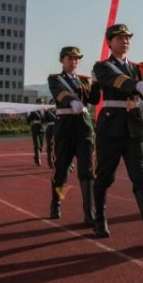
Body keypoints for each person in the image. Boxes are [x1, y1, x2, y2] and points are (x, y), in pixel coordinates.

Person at [91, 24, 143, 247]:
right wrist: (138, 84)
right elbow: (118, 82)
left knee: (141, 178)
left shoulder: (136, 68)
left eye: (128, 38)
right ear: (110, 42)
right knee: (105, 176)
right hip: (111, 127)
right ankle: (100, 219)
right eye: (120, 38)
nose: (125, 41)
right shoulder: (102, 67)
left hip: (133, 128)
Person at [47, 46, 97, 225]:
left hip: (84, 128)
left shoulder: (84, 80)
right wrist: (72, 101)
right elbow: (60, 93)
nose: (74, 61)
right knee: (61, 171)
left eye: (77, 59)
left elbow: (94, 100)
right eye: (70, 58)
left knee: (87, 171)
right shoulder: (55, 79)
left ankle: (89, 212)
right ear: (62, 60)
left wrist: (97, 83)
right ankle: (57, 201)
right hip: (65, 129)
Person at [27, 99, 46, 166]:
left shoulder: (44, 110)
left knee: (41, 146)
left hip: (42, 128)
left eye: (43, 102)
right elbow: (28, 120)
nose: (42, 104)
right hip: (35, 127)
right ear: (37, 103)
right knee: (37, 145)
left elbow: (46, 119)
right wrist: (28, 114)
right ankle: (38, 160)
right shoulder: (33, 110)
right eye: (40, 102)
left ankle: (36, 156)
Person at [42, 101, 57, 169]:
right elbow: (43, 120)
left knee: (56, 145)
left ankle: (55, 160)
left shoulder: (58, 110)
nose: (53, 104)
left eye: (54, 103)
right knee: (49, 146)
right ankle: (50, 160)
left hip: (57, 128)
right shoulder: (47, 111)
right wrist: (45, 112)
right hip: (49, 128)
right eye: (52, 103)